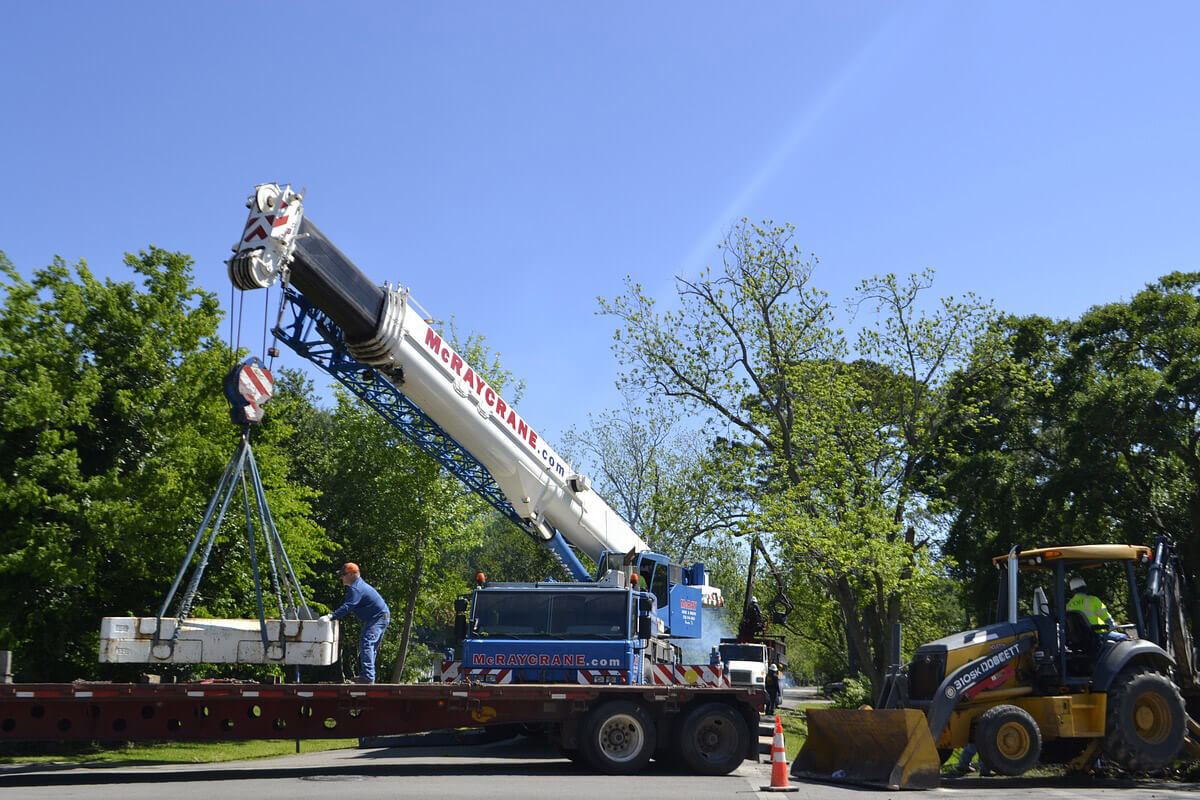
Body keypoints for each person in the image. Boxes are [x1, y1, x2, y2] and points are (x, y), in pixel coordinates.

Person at [319, 562, 391, 683]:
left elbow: (348, 606)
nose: (341, 577)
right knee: (369, 645)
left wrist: (330, 616)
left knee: (367, 643)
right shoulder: (358, 586)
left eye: (344, 574)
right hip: (378, 618)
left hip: (377, 618)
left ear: (353, 574)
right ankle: (368, 676)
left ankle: (368, 677)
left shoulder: (356, 588)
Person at [1066, 576, 1126, 641]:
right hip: (1097, 634)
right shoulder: (1093, 600)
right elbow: (1107, 619)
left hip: (1079, 638)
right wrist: (1113, 626)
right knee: (1124, 637)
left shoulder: (1068, 605)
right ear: (1085, 588)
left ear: (1073, 590)